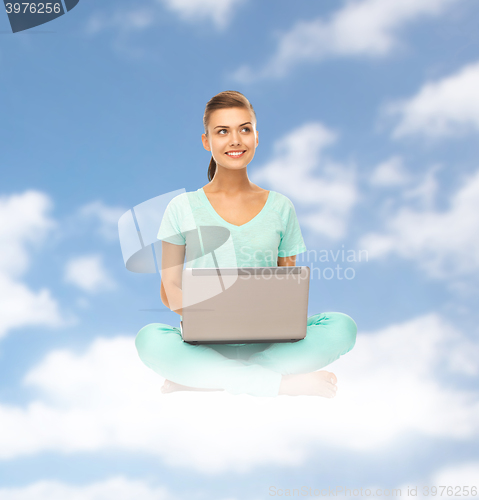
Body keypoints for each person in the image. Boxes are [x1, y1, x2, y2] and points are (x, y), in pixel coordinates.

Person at [135, 90, 357, 398]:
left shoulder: (281, 207)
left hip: (270, 344)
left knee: (342, 326)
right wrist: (209, 317)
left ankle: (209, 379)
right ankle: (279, 383)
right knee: (149, 339)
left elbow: (288, 284)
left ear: (256, 137)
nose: (235, 140)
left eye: (245, 129)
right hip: (204, 343)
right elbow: (168, 287)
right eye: (222, 131)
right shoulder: (180, 207)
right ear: (206, 141)